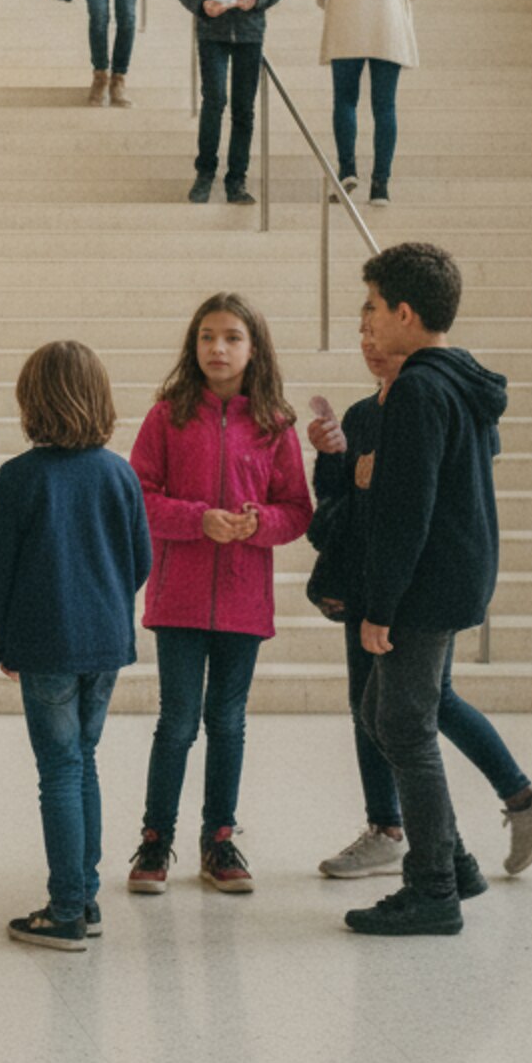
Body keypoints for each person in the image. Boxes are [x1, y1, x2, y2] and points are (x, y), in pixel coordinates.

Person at [309, 335, 532, 886]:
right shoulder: (364, 414)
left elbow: (429, 496)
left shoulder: (429, 399)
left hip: (412, 586)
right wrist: (334, 459)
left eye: (377, 327)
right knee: (402, 702)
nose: (369, 343)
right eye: (362, 333)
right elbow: (342, 507)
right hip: (380, 577)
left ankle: (407, 836)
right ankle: (497, 812)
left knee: (396, 709)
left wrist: (380, 598)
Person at [344, 243, 511, 937]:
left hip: (425, 584)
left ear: (406, 314)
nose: (370, 324)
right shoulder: (463, 378)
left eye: (374, 310)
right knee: (382, 709)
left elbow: (407, 508)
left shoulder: (417, 387)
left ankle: (434, 888)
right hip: (459, 573)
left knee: (404, 726)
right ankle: (457, 861)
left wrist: (381, 607)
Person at [125, 295, 310, 897]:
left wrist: (262, 525)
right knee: (176, 722)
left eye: (232, 337)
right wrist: (198, 519)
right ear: (193, 345)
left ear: (253, 348)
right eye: (207, 337)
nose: (218, 349)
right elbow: (140, 498)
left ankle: (219, 839)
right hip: (178, 598)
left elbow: (296, 511)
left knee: (227, 722)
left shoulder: (276, 425)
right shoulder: (166, 417)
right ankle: (155, 840)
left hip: (242, 601)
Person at [0, 341, 150, 951]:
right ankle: (86, 896)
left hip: (44, 641)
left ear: (32, 403)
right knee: (83, 762)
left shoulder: (20, 478)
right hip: (105, 642)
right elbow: (140, 561)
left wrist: (3, 639)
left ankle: (65, 910)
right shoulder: (119, 472)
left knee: (59, 769)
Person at [308, 0, 428, 208]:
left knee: (345, 100)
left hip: (347, 26)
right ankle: (381, 186)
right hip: (388, 31)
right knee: (384, 106)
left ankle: (347, 169)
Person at [174, 0, 289, 205]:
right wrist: (202, 3)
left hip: (250, 32)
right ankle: (204, 173)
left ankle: (236, 180)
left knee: (244, 108)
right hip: (213, 31)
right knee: (214, 102)